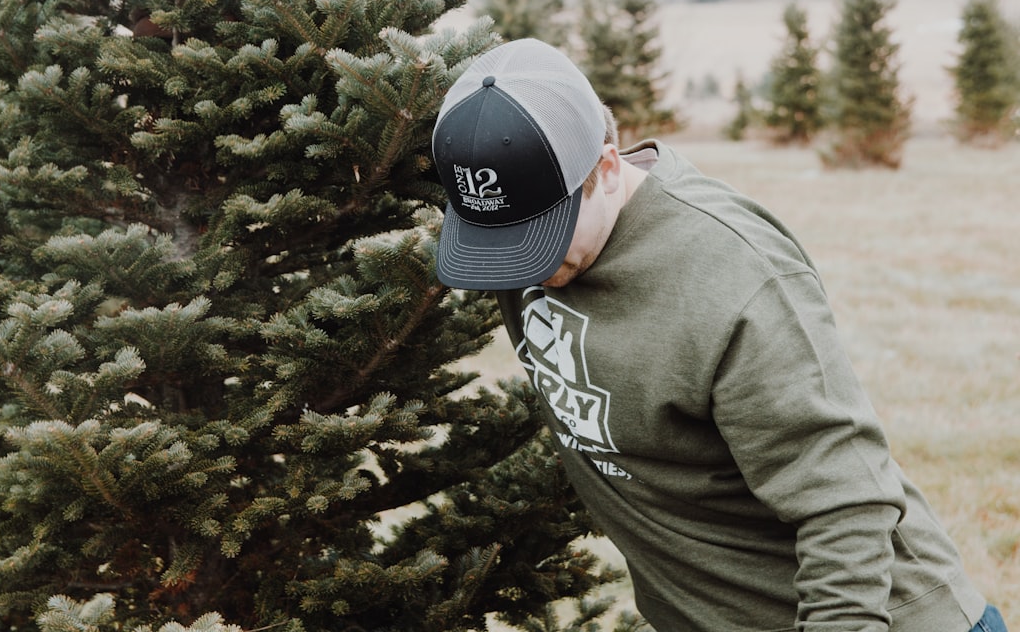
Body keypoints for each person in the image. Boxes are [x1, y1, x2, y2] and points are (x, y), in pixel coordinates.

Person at [429, 38, 1008, 632]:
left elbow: (846, 502)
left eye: (539, 235)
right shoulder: (520, 225)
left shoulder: (735, 276)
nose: (519, 271)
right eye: (492, 243)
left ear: (604, 168)